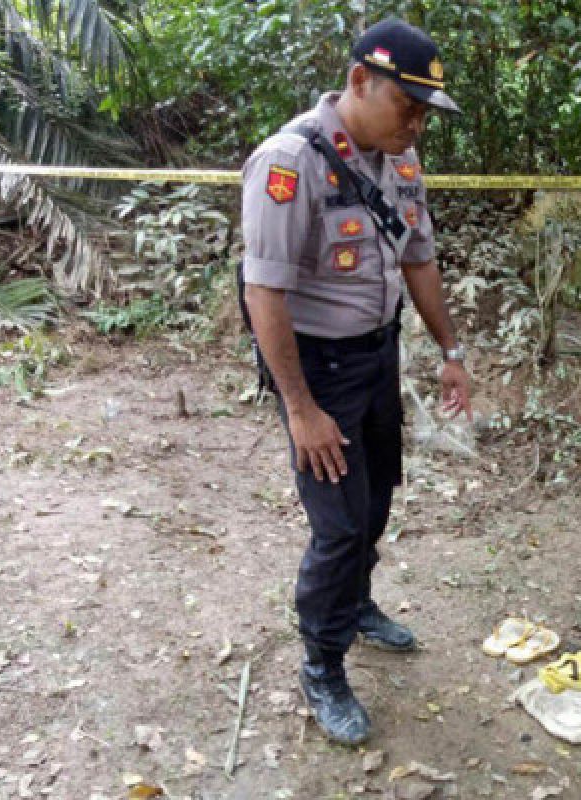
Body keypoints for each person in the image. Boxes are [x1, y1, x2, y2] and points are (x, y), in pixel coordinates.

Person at [240, 17, 471, 746]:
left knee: (375, 504)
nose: (417, 126)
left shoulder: (399, 162)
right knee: (339, 529)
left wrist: (450, 349)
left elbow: (420, 261)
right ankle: (322, 665)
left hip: (378, 358)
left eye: (426, 113)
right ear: (359, 82)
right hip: (320, 372)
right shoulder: (291, 161)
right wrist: (300, 408)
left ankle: (359, 606)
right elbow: (264, 294)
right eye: (408, 106)